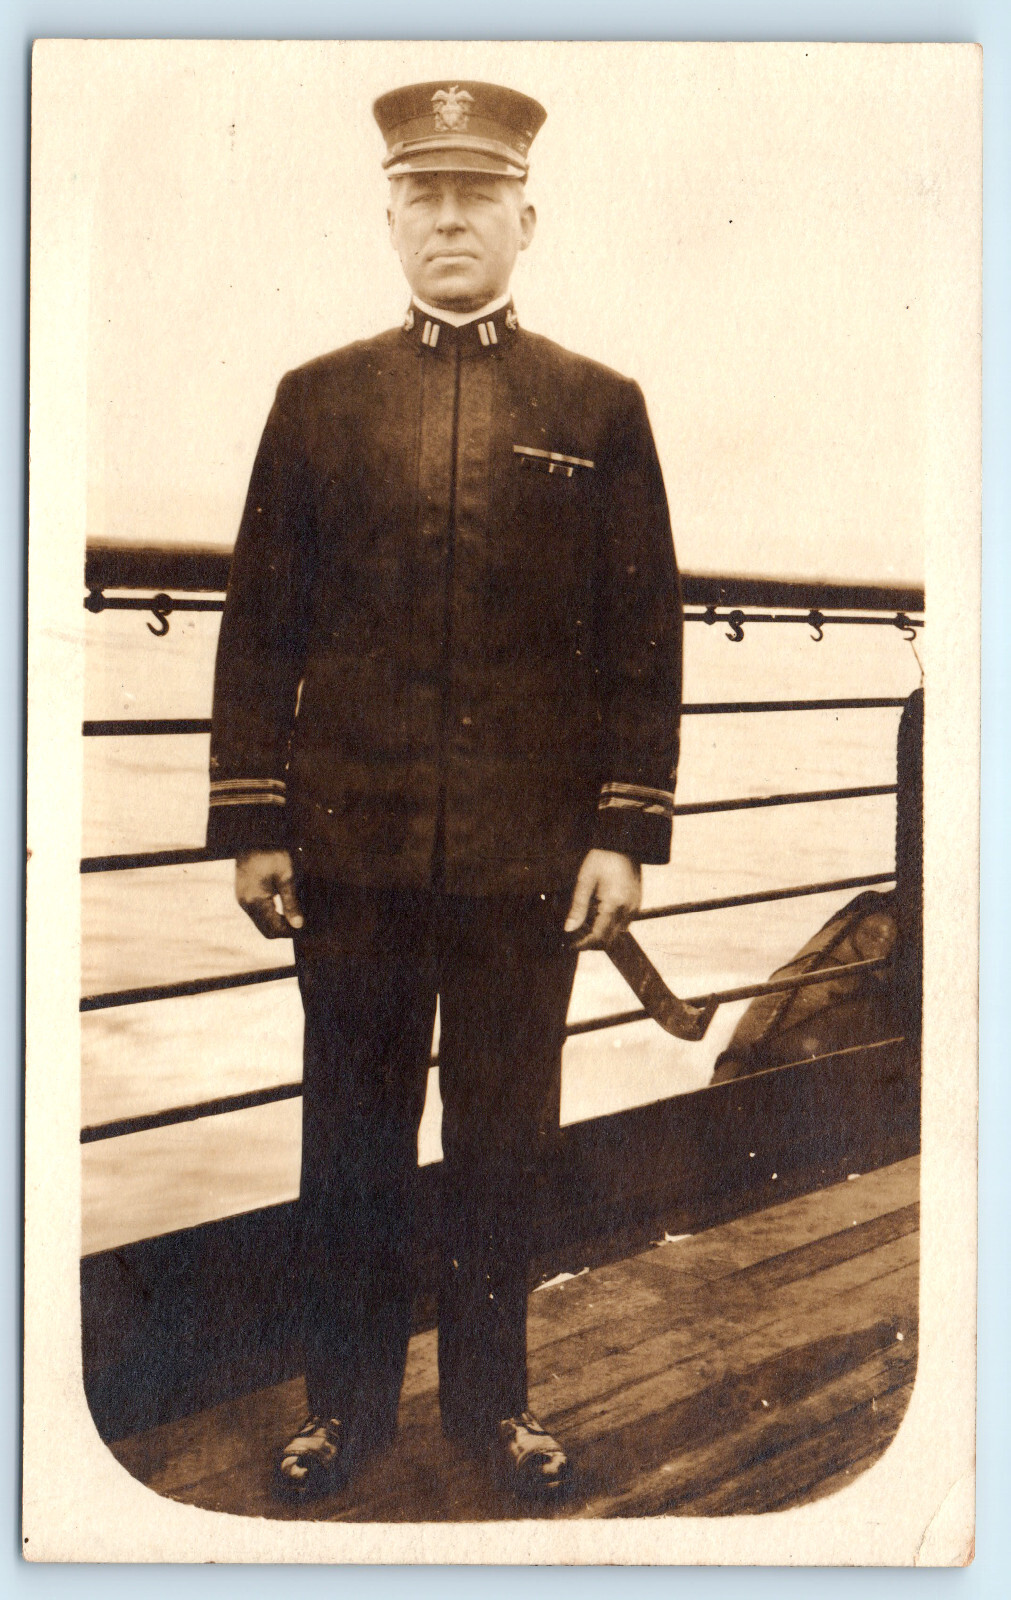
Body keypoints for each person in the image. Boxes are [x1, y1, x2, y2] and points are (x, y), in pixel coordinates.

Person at [206, 79, 683, 1503]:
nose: (453, 219)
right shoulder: (318, 400)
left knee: (501, 1148)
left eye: (481, 195)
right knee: (350, 1144)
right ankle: (339, 1414)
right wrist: (254, 823)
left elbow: (643, 638)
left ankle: (495, 1409)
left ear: (529, 220)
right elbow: (259, 626)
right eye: (427, 195)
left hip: (527, 866)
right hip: (347, 859)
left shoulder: (599, 407)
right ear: (391, 219)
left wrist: (622, 833)